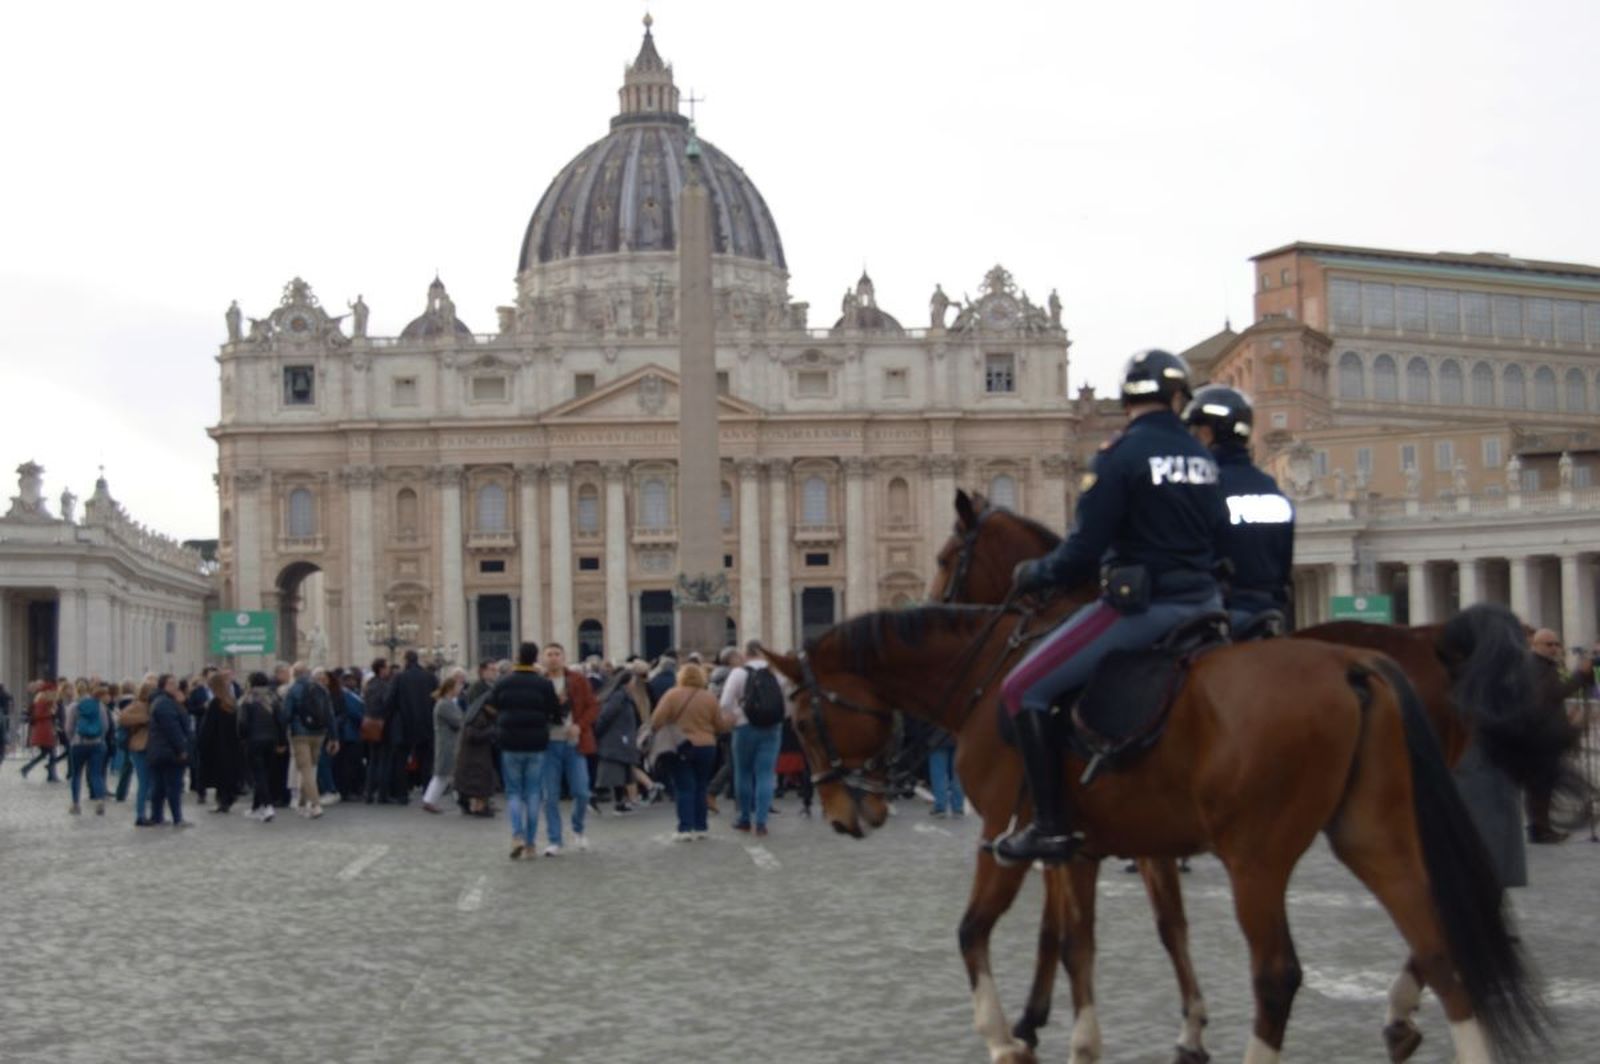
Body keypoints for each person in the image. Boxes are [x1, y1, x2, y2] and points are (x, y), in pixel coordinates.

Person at [997, 349, 1227, 866]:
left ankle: (1050, 826)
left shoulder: (1119, 456)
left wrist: (1037, 573)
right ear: (1179, 399)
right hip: (1207, 604)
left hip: (1145, 608)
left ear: (1126, 399)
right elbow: (1219, 532)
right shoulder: (1202, 458)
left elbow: (1083, 551)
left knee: (1022, 688)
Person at [1182, 384, 1294, 632]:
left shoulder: (1205, 487)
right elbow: (1284, 562)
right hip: (1270, 612)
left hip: (1220, 614)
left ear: (1206, 434)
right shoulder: (1272, 488)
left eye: (1194, 435)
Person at [486, 642, 561, 859]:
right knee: (533, 793)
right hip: (536, 742)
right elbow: (555, 712)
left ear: (518, 657)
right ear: (536, 657)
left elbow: (490, 705)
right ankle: (530, 844)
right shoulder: (544, 684)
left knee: (513, 792)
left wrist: (502, 718)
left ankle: (517, 834)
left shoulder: (503, 682)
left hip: (510, 741)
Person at [651, 661, 728, 841]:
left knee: (684, 787)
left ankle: (685, 828)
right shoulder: (709, 697)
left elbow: (656, 721)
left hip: (681, 746)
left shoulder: (672, 695)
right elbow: (720, 725)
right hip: (707, 746)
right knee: (701, 786)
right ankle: (701, 827)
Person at [718, 640, 786, 835]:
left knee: (743, 773)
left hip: (744, 728)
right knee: (766, 774)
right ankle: (762, 822)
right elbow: (787, 701)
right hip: (772, 728)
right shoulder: (777, 674)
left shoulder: (738, 673)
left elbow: (724, 703)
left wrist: (733, 717)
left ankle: (745, 818)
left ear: (746, 654)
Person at [1525, 628, 1586, 844]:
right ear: (1535, 645)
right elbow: (1553, 695)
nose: (1554, 648)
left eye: (1556, 644)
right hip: (1541, 738)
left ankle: (1541, 827)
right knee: (1541, 786)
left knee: (1543, 786)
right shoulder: (1537, 667)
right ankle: (1540, 829)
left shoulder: (1544, 666)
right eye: (1548, 644)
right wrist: (1581, 675)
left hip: (1543, 736)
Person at [538, 643, 597, 855]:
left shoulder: (577, 680)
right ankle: (555, 839)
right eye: (549, 654)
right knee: (550, 795)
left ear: (563, 657)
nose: (553, 658)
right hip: (547, 744)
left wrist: (579, 726)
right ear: (543, 658)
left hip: (574, 743)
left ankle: (578, 828)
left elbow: (593, 706)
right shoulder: (539, 682)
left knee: (581, 791)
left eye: (557, 654)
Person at [594, 661, 649, 813]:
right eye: (632, 681)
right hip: (617, 739)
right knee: (611, 774)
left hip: (620, 739)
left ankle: (620, 803)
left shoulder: (623, 696)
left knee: (621, 773)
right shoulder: (619, 696)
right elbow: (606, 716)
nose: (634, 684)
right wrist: (598, 731)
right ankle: (594, 797)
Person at [283, 663, 336, 819]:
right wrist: (334, 737)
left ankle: (315, 804)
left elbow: (286, 714)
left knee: (305, 770)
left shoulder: (293, 689)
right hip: (319, 733)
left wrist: (282, 735)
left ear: (294, 674)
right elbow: (330, 714)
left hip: (300, 734)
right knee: (311, 768)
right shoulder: (321, 689)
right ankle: (301, 803)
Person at [383, 650, 436, 802]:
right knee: (426, 760)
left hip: (404, 724)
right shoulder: (430, 677)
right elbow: (437, 698)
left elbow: (389, 700)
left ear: (406, 660)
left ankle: (402, 794)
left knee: (401, 761)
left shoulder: (399, 678)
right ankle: (428, 793)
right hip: (426, 723)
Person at [238, 672, 287, 823]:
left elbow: (242, 723)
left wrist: (242, 738)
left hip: (253, 741)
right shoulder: (273, 697)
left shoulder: (247, 699)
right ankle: (256, 807)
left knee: (258, 775)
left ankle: (267, 806)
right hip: (271, 740)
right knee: (265, 774)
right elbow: (281, 721)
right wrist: (281, 742)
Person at [145, 674, 192, 828]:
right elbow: (172, 729)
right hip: (168, 751)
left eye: (176, 683)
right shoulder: (164, 703)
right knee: (172, 786)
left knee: (160, 786)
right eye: (171, 683)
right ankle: (176, 818)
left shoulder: (165, 701)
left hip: (161, 750)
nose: (176, 686)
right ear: (163, 686)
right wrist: (181, 749)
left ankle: (157, 816)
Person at [197, 672, 245, 814]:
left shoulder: (215, 703)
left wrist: (202, 742)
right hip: (232, 743)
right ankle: (227, 798)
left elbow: (209, 726)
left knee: (219, 775)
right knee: (228, 773)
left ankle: (222, 801)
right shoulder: (231, 701)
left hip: (217, 745)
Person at [421, 672, 465, 814]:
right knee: (442, 774)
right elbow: (458, 721)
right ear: (450, 688)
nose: (460, 689)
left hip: (450, 742)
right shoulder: (444, 704)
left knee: (447, 774)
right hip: (447, 743)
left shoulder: (447, 703)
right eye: (458, 686)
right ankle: (429, 801)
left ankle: (460, 800)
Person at [66, 683, 112, 815]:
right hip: (97, 744)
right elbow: (105, 726)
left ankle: (75, 804)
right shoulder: (100, 706)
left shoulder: (73, 706)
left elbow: (69, 727)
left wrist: (72, 739)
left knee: (76, 774)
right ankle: (99, 800)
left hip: (78, 743)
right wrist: (100, 738)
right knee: (96, 774)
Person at [117, 683, 154, 824]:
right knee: (144, 782)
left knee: (150, 782)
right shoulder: (137, 705)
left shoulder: (153, 705)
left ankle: (149, 814)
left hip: (151, 747)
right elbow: (122, 718)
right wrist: (144, 718)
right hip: (139, 747)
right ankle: (140, 815)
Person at [20, 681, 64, 782]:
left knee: (46, 753)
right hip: (43, 730)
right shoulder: (41, 702)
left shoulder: (46, 702)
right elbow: (38, 715)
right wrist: (50, 714)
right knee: (50, 752)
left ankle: (29, 768)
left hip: (45, 729)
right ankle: (50, 774)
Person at [926, 723, 965, 817]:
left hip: (937, 738)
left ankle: (940, 806)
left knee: (938, 775)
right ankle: (958, 807)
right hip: (959, 737)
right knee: (958, 774)